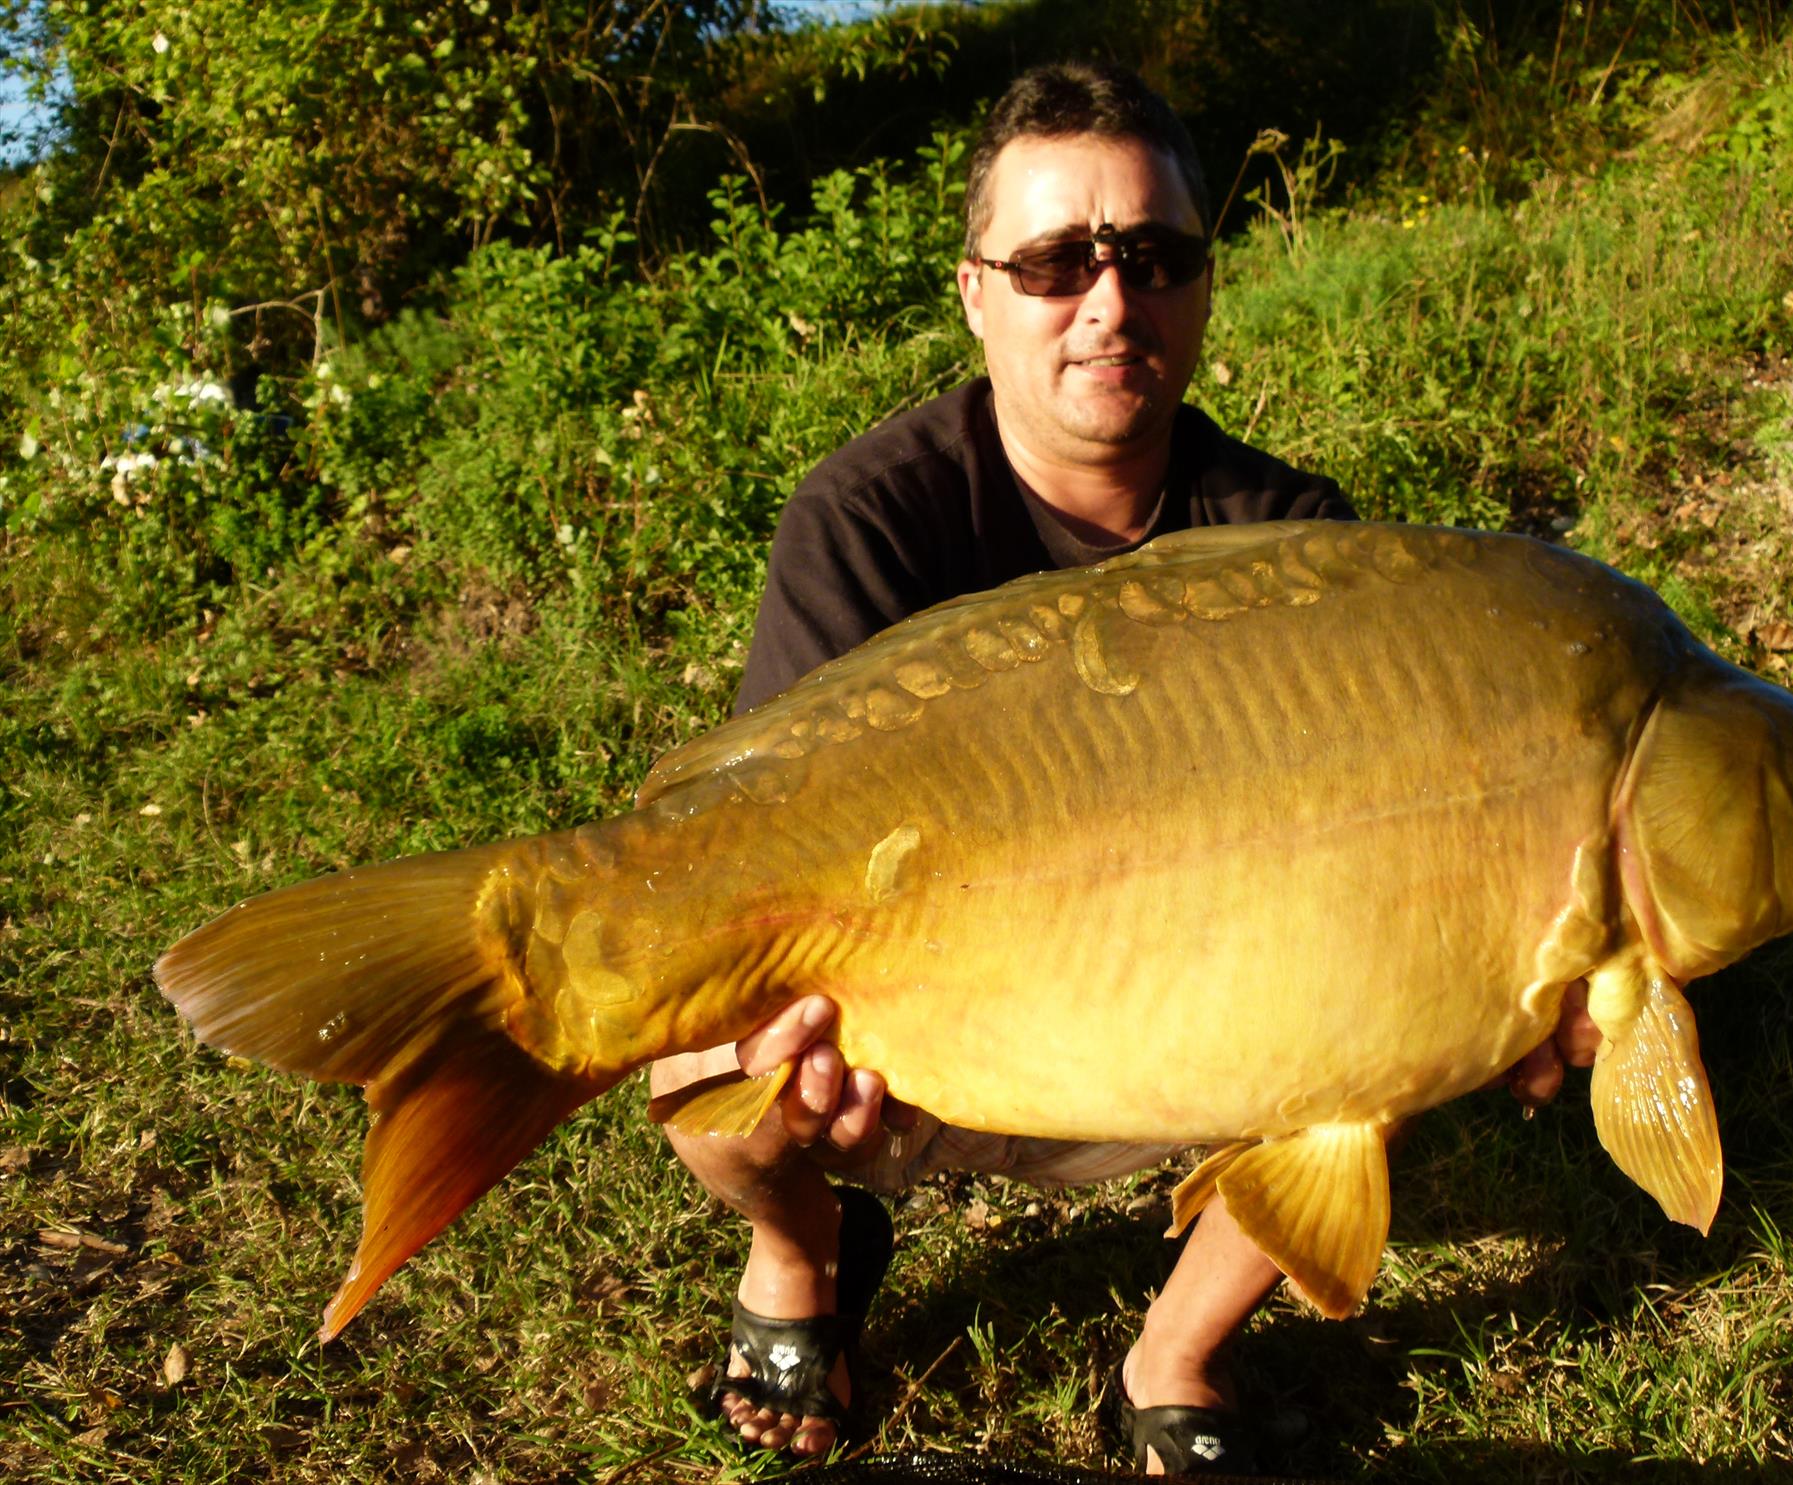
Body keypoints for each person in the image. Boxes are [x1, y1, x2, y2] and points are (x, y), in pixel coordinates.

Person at [650, 61, 1600, 1476]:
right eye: (1053, 263)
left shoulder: (1298, 541)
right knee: (694, 1051)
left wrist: (1516, 970)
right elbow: (764, 844)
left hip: (1201, 1029)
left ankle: (1176, 1355)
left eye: (1153, 258)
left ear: (1203, 286)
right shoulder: (865, 518)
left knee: (1398, 973)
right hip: (921, 1033)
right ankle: (802, 1256)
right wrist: (813, 1033)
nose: (1109, 301)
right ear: (976, 293)